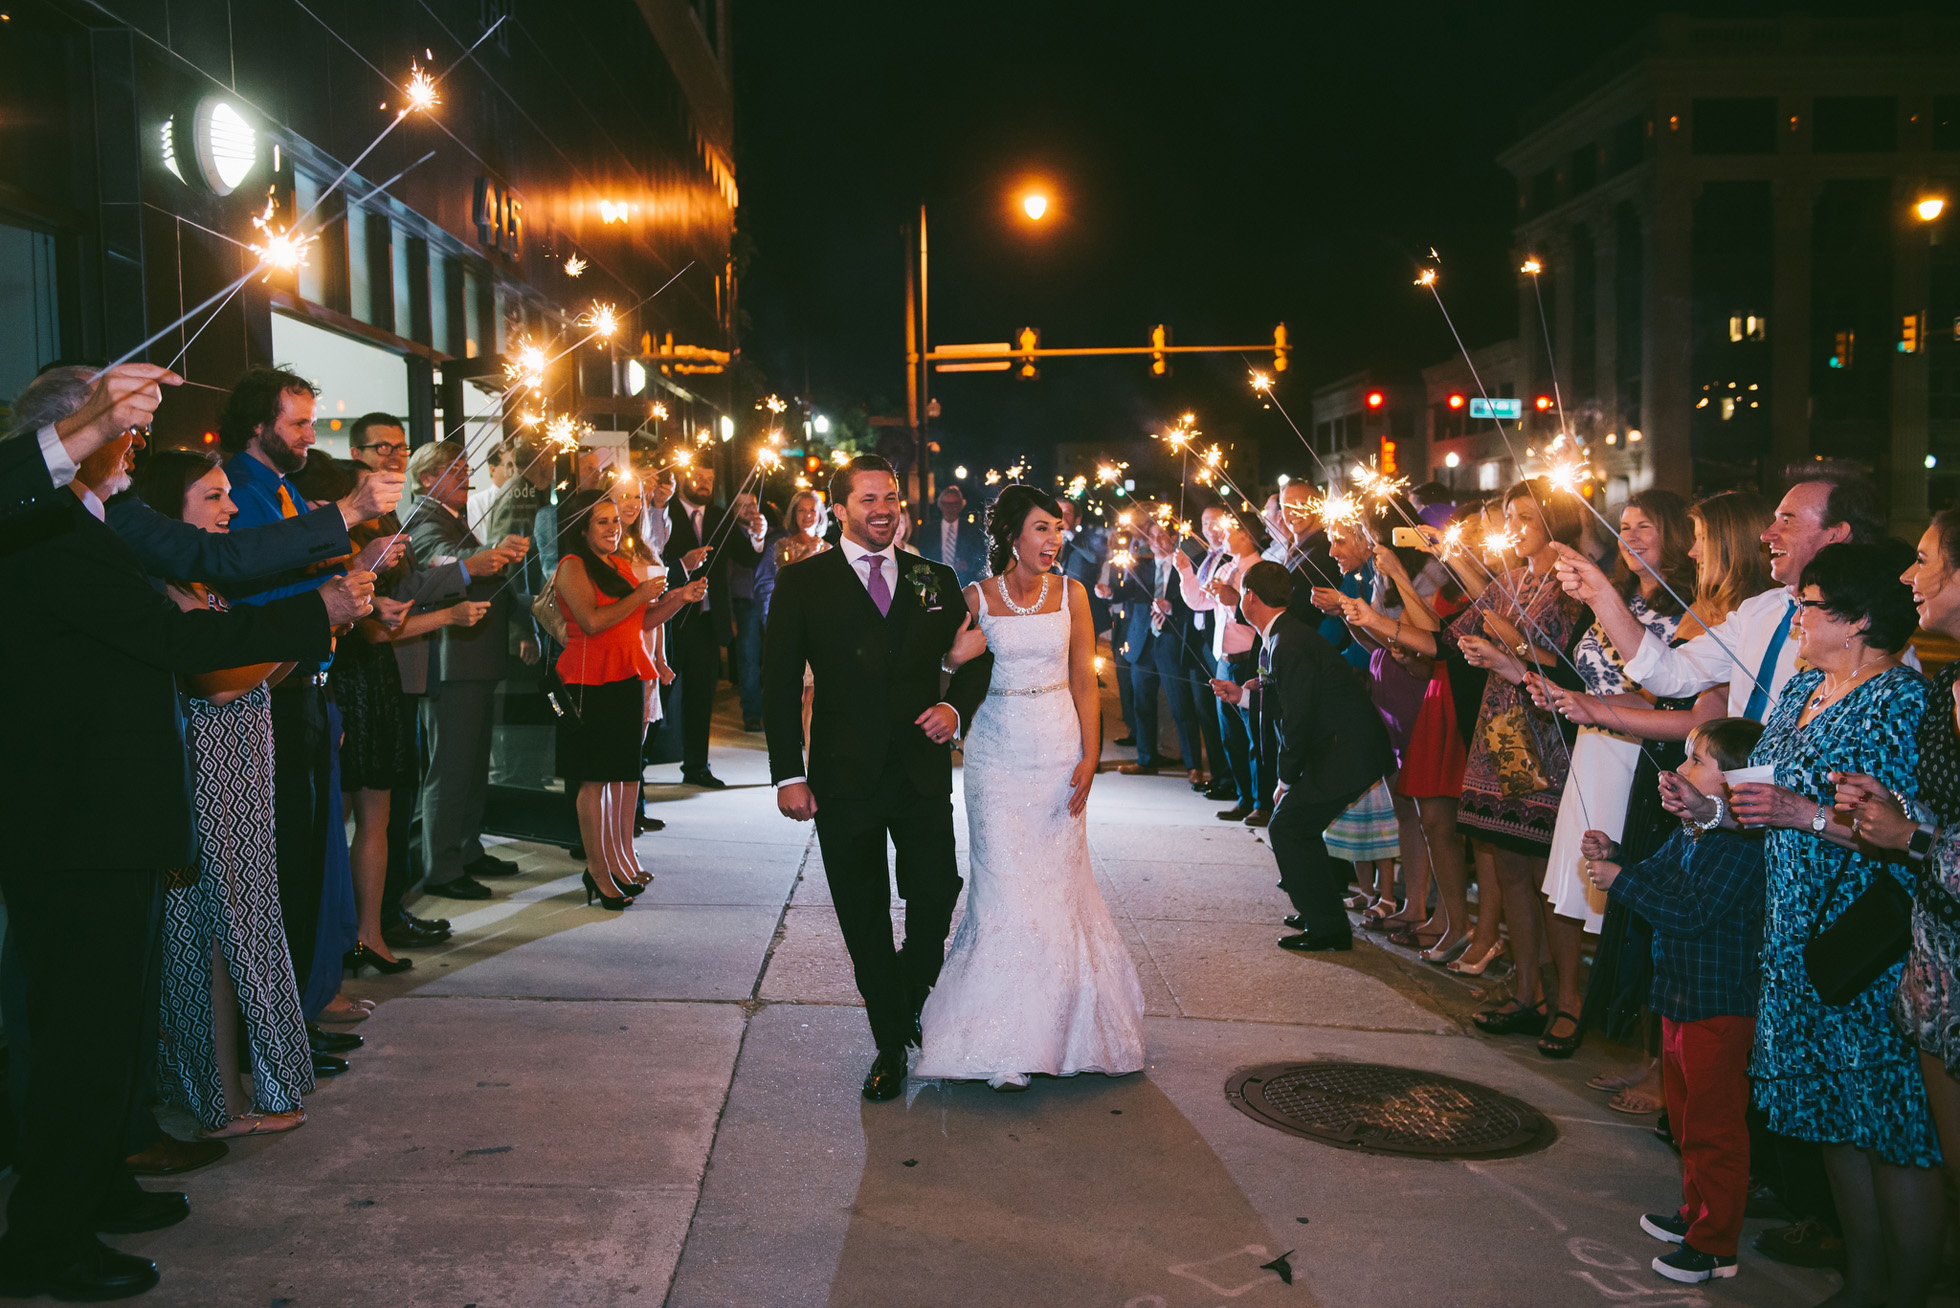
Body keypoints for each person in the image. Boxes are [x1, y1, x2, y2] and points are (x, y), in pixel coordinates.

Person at [0, 403, 369, 1301]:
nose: (133, 445)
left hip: (109, 814)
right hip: (75, 820)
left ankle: (97, 1187)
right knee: (79, 1038)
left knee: (109, 1027)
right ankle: (47, 1239)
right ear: (75, 438)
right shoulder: (41, 534)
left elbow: (206, 581)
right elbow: (174, 640)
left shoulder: (94, 524)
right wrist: (312, 614)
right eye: (115, 430)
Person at [1675, 540, 1943, 1305]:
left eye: (1810, 604)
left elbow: (1906, 832)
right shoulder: (1799, 692)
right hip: (1790, 933)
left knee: (1892, 1132)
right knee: (1832, 1119)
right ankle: (1860, 1281)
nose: (1795, 615)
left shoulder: (1901, 702)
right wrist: (1714, 811)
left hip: (1863, 942)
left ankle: (1907, 1292)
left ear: (1857, 619)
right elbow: (1767, 804)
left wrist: (1806, 815)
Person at [761, 455, 993, 1101]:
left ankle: (906, 991)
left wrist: (953, 706)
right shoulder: (804, 582)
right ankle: (891, 1044)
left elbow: (976, 657)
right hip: (842, 778)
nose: (882, 509)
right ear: (839, 507)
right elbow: (778, 685)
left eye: (889, 496)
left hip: (919, 775)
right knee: (862, 915)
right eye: (867, 499)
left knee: (936, 893)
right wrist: (788, 774)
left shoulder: (934, 577)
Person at [915, 486, 1144, 1089]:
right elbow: (942, 675)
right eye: (1042, 529)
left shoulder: (1071, 595)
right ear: (1013, 536)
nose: (1054, 540)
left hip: (1056, 747)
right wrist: (955, 664)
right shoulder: (975, 596)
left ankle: (1066, 1032)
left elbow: (1085, 681)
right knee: (1002, 888)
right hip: (994, 754)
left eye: (1058, 529)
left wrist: (1092, 755)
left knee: (1058, 887)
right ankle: (1001, 1040)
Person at [1361, 480, 1589, 1031]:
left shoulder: (1574, 587)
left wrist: (1506, 644)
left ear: (1554, 523)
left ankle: (1569, 1003)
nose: (1513, 526)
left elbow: (1570, 665)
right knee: (1508, 865)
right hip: (1498, 736)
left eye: (1525, 517)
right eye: (1508, 516)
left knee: (1544, 874)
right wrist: (1368, 618)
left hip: (1546, 739)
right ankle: (1527, 992)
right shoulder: (1508, 582)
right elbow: (1442, 641)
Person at [134, 449, 314, 1140]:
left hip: (241, 783)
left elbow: (259, 666)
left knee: (244, 927)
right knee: (211, 937)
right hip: (203, 787)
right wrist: (304, 619)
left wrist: (307, 626)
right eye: (213, 497)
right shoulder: (163, 591)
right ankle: (221, 1098)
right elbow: (221, 680)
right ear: (168, 515)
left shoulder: (204, 587)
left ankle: (246, 1085)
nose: (231, 507)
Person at [1582, 717, 1768, 1285]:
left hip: (1719, 1005)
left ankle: (1716, 1246)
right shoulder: (1693, 831)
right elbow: (1656, 877)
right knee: (1686, 1118)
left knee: (1715, 1128)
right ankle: (1695, 1214)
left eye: (1696, 762)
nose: (1681, 771)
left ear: (1734, 780)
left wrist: (1621, 882)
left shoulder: (1740, 847)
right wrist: (1616, 856)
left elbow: (1689, 912)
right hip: (1681, 996)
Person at [1524, 489, 1699, 1059]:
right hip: (1593, 742)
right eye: (1625, 526)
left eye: (1647, 526)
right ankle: (1571, 1001)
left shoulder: (1688, 612)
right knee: (1571, 879)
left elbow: (1671, 703)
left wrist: (1594, 703)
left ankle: (1641, 1039)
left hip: (1642, 753)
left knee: (1631, 881)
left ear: (1675, 533)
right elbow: (1584, 668)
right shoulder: (1618, 596)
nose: (1633, 537)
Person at [1556, 475, 1888, 724]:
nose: (1767, 535)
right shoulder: (1759, 611)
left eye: (1787, 520)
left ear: (1835, 534)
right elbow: (1671, 673)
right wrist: (1601, 596)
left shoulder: (1875, 630)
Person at [1219, 561, 1394, 952]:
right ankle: (1319, 910)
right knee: (1298, 827)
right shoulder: (1284, 636)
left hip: (1345, 751)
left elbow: (1298, 719)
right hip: (1338, 748)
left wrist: (1285, 781)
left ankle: (1328, 926)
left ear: (1249, 597)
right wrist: (1243, 696)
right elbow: (1289, 700)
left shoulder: (1288, 643)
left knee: (1288, 826)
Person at [554, 490, 703, 907]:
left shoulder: (617, 564)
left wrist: (678, 599)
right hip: (589, 681)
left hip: (626, 673)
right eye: (602, 522)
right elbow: (593, 621)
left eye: (614, 521)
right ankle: (597, 871)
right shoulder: (572, 566)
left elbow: (640, 622)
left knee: (621, 772)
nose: (613, 528)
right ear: (580, 529)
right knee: (594, 779)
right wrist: (639, 595)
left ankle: (616, 863)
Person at [404, 439, 535, 901]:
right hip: (452, 662)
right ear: (426, 478)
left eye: (465, 468)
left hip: (473, 659)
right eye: (454, 470)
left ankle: (467, 848)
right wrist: (483, 557)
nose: (466, 476)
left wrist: (498, 552)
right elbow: (438, 562)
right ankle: (441, 867)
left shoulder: (451, 516)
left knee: (474, 765)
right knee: (452, 768)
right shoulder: (423, 517)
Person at [661, 460, 765, 788]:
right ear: (682, 478)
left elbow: (747, 558)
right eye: (698, 476)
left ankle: (696, 767)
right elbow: (651, 563)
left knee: (700, 697)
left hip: (707, 621)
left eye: (710, 477)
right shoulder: (663, 512)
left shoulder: (721, 516)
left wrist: (758, 537)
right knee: (659, 698)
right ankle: (638, 765)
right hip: (669, 619)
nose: (705, 483)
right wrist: (681, 564)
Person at [1177, 508, 1265, 812]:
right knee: (1230, 735)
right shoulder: (1227, 568)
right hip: (1224, 658)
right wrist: (1185, 573)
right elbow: (1199, 601)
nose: (1221, 536)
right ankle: (1242, 798)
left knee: (1253, 734)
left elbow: (1261, 616)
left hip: (1248, 659)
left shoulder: (1261, 569)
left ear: (1245, 535)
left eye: (1228, 531)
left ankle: (1259, 801)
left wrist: (1233, 598)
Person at [756, 489, 830, 742]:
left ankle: (811, 756)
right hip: (792, 625)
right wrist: (809, 551)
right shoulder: (783, 545)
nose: (808, 515)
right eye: (802, 510)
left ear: (820, 515)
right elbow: (783, 577)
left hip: (820, 628)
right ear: (793, 514)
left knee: (813, 693)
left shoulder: (830, 548)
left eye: (812, 510)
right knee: (794, 693)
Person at [914, 482, 987, 586]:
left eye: (955, 504)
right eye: (946, 504)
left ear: (961, 505)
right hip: (935, 584)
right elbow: (920, 557)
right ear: (940, 505)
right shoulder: (928, 531)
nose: (950, 508)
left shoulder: (973, 530)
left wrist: (968, 565)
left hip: (965, 584)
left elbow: (982, 558)